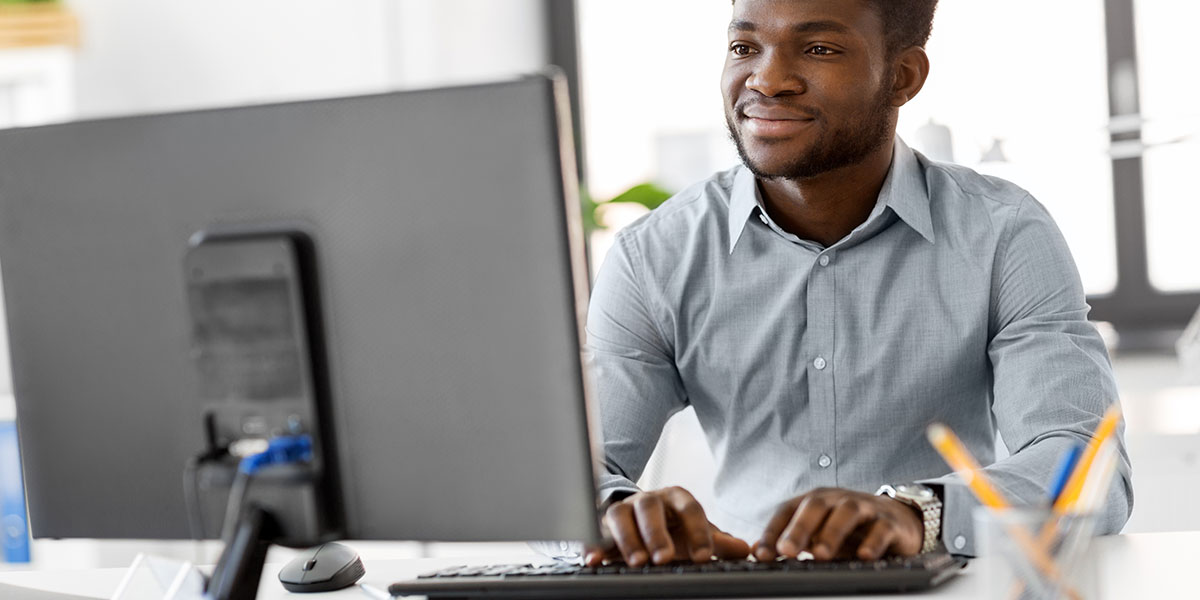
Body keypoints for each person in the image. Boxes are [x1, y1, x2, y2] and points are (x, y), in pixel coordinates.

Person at [579, 0, 1133, 567]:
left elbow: (1090, 470)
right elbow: (574, 475)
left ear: (902, 77)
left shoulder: (1003, 233)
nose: (767, 80)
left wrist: (918, 514)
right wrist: (615, 517)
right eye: (744, 48)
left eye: (819, 49)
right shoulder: (654, 254)